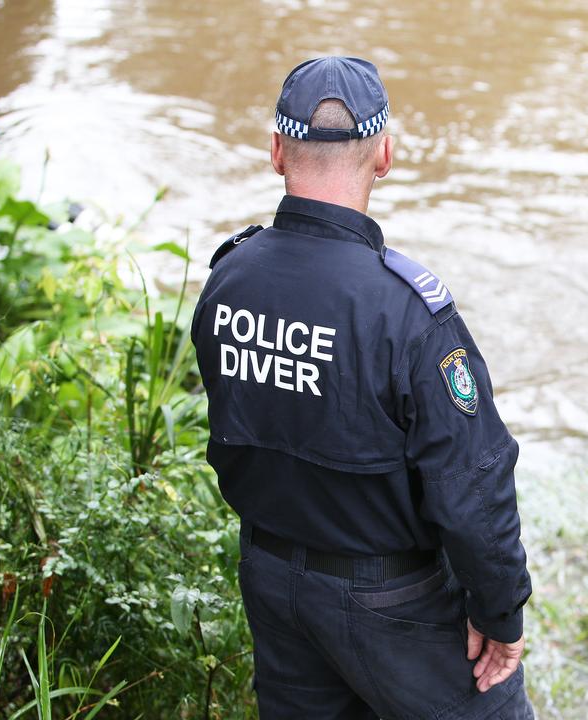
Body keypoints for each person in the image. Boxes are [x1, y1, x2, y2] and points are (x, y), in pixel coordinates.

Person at [190, 57, 534, 719]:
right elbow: (473, 483)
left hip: (270, 577)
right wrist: (500, 610)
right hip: (391, 600)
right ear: (384, 154)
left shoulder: (229, 281)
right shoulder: (407, 312)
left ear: (275, 151)